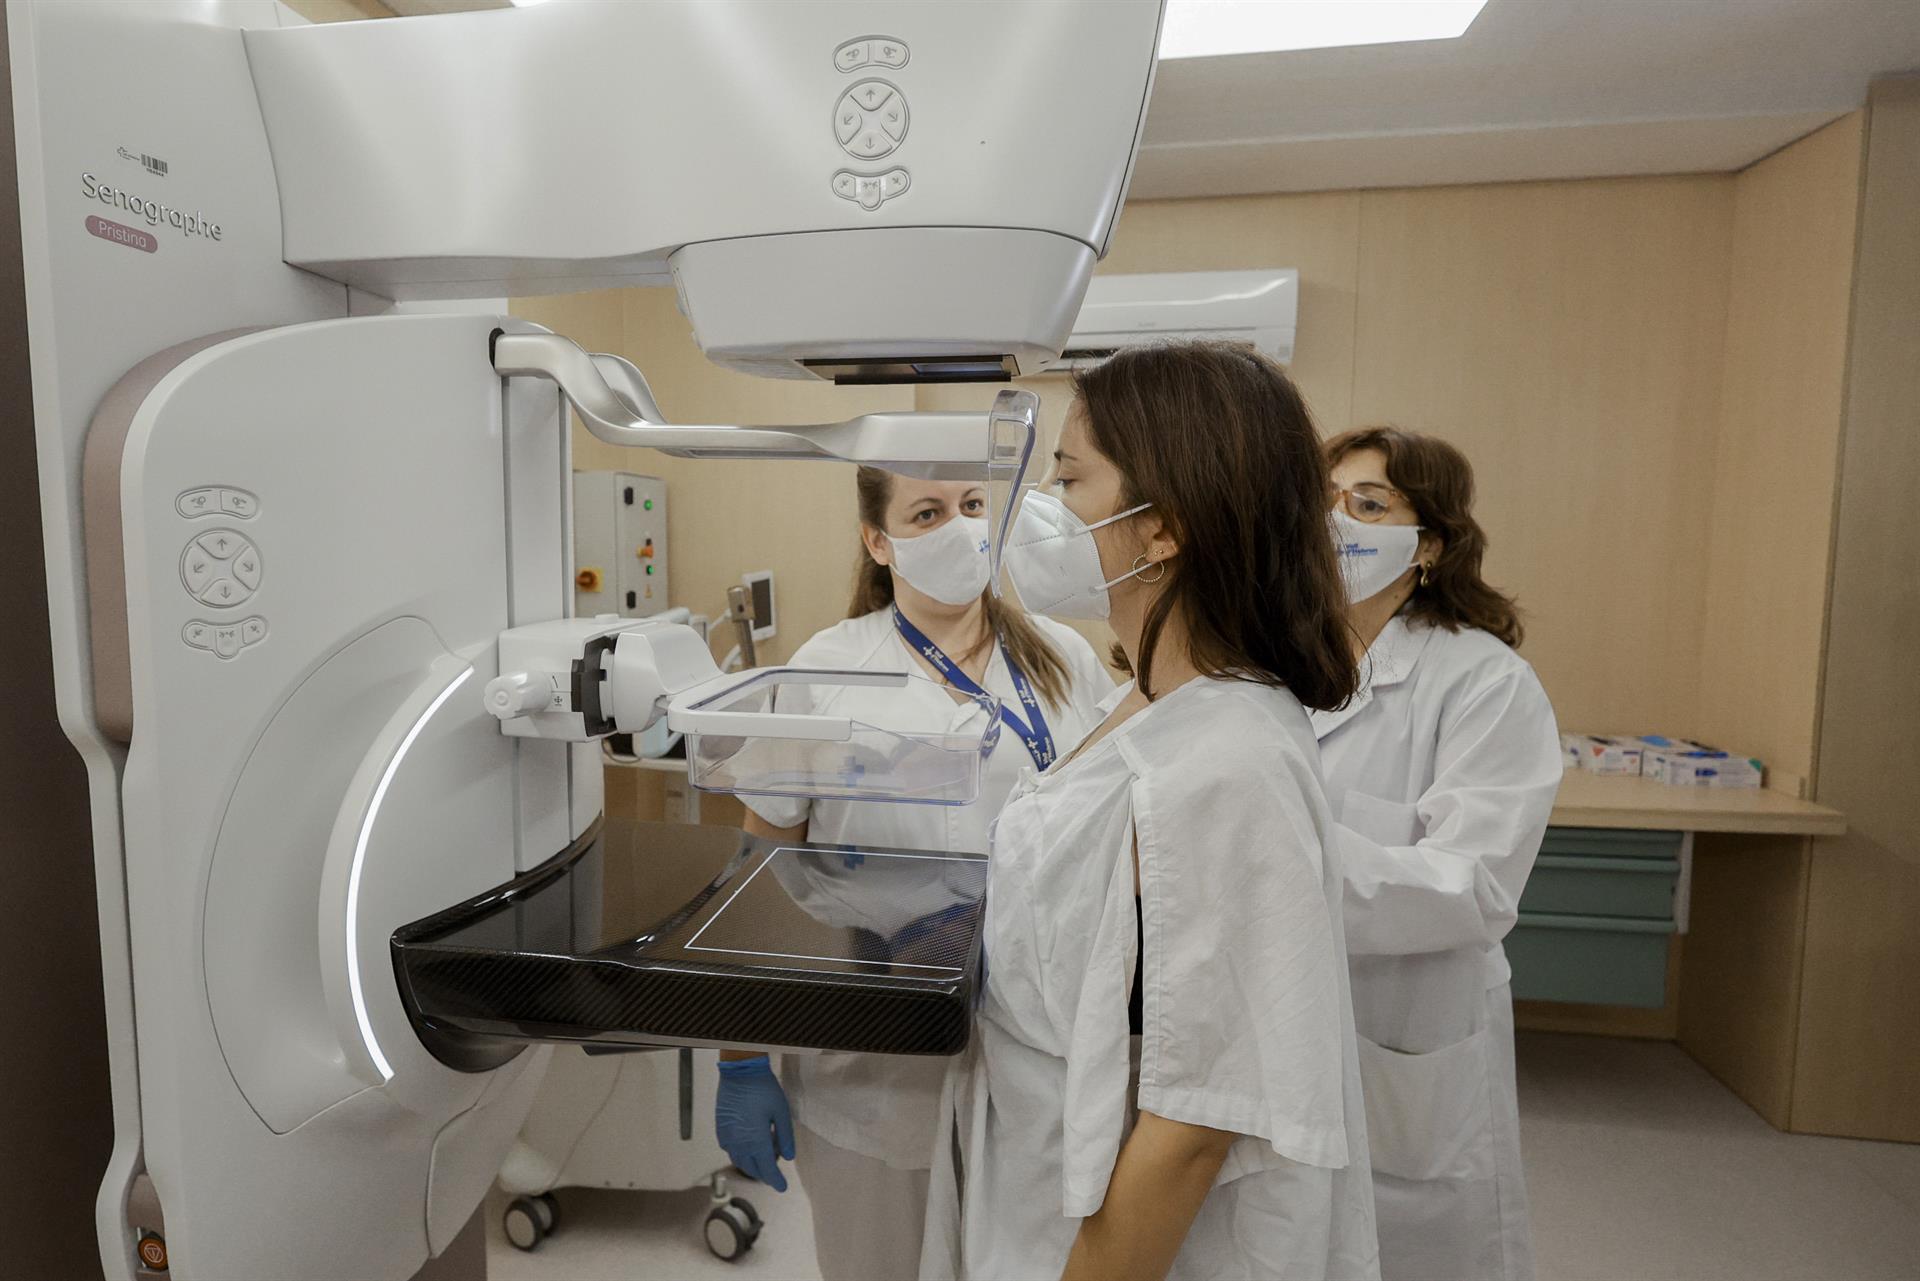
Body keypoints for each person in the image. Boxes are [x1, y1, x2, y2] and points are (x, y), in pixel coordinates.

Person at [922, 341, 1380, 1281]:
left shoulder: (1229, 760)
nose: (1036, 510)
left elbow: (1195, 1121)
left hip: (1117, 1235)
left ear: (1161, 528)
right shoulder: (1150, 697)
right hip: (1038, 1167)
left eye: (1069, 477)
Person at [712, 466, 1115, 1281]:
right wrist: (739, 1057)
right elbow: (758, 873)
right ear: (878, 539)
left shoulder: (1062, 656)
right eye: (926, 513)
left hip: (1036, 1059)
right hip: (873, 1067)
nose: (960, 530)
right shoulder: (827, 670)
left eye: (972, 506)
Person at [1319, 427, 1562, 1281]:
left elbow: (1475, 884)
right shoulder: (1278, 665)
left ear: (1429, 544)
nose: (1335, 520)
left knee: (1418, 1251)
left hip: (1406, 1030)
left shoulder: (1484, 682)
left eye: (1369, 503)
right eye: (1323, 498)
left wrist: (1291, 861)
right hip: (1288, 1022)